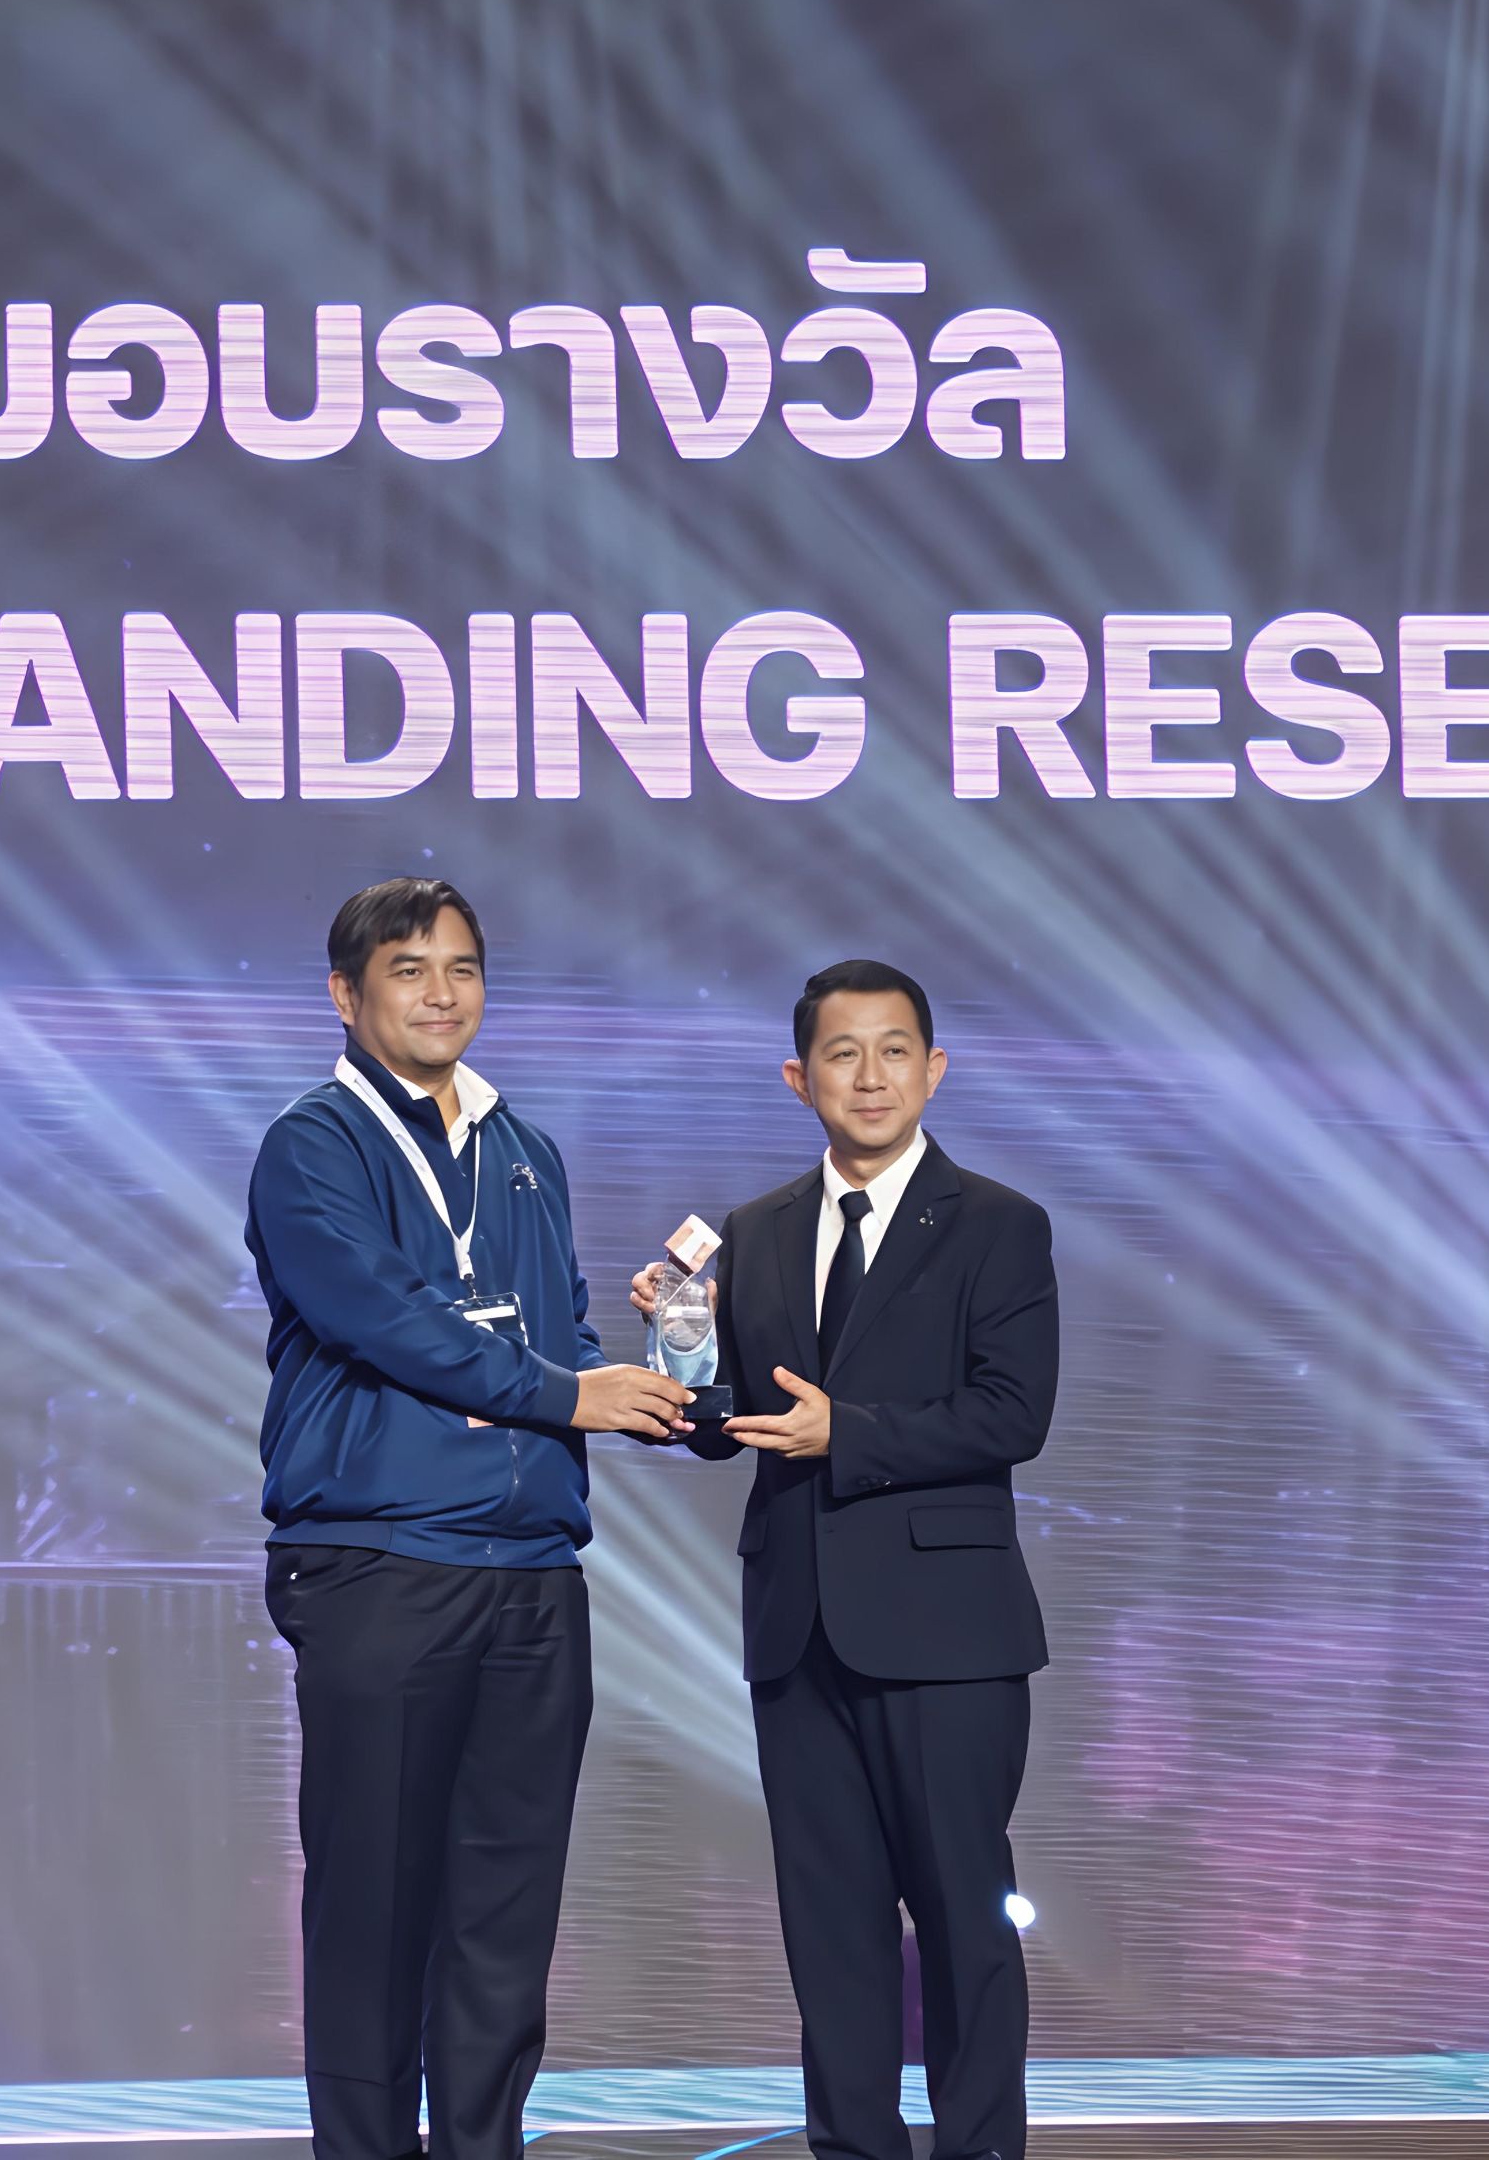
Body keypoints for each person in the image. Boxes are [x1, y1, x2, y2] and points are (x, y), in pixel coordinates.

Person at [250, 877, 691, 2160]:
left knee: (505, 1918)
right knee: (375, 1912)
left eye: (463, 968)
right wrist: (569, 1391)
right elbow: (385, 1319)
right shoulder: (313, 1146)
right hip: (383, 1565)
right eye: (409, 969)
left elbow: (560, 1336)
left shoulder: (526, 1148)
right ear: (345, 996)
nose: (441, 994)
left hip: (534, 1574)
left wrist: (663, 1374)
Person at [632, 960, 1057, 2160]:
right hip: (798, 1627)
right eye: (841, 1053)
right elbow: (731, 1424)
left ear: (934, 1068)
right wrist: (682, 1357)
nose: (870, 1077)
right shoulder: (756, 1230)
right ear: (797, 1076)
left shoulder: (999, 1224)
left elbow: (1013, 1413)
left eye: (893, 1050)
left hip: (949, 1634)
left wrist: (849, 1435)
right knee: (831, 1932)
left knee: (966, 1924)